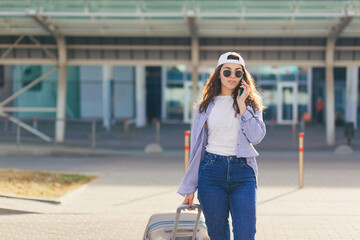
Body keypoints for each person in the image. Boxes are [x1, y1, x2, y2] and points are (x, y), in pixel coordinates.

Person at [177, 52, 266, 240]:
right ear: (218, 74)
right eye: (227, 72)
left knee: (246, 234)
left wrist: (242, 105)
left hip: (243, 173)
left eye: (237, 72)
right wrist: (189, 187)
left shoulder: (251, 105)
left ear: (243, 76)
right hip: (211, 174)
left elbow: (256, 136)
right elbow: (196, 150)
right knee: (218, 235)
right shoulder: (205, 106)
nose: (232, 76)